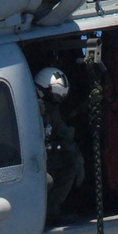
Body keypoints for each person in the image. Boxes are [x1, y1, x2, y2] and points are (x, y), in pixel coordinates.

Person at [33, 66, 85, 217]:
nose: (56, 101)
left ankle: (51, 210)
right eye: (54, 96)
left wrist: (77, 160)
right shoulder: (27, 108)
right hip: (32, 162)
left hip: (46, 158)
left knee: (68, 167)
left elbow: (65, 135)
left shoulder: (52, 113)